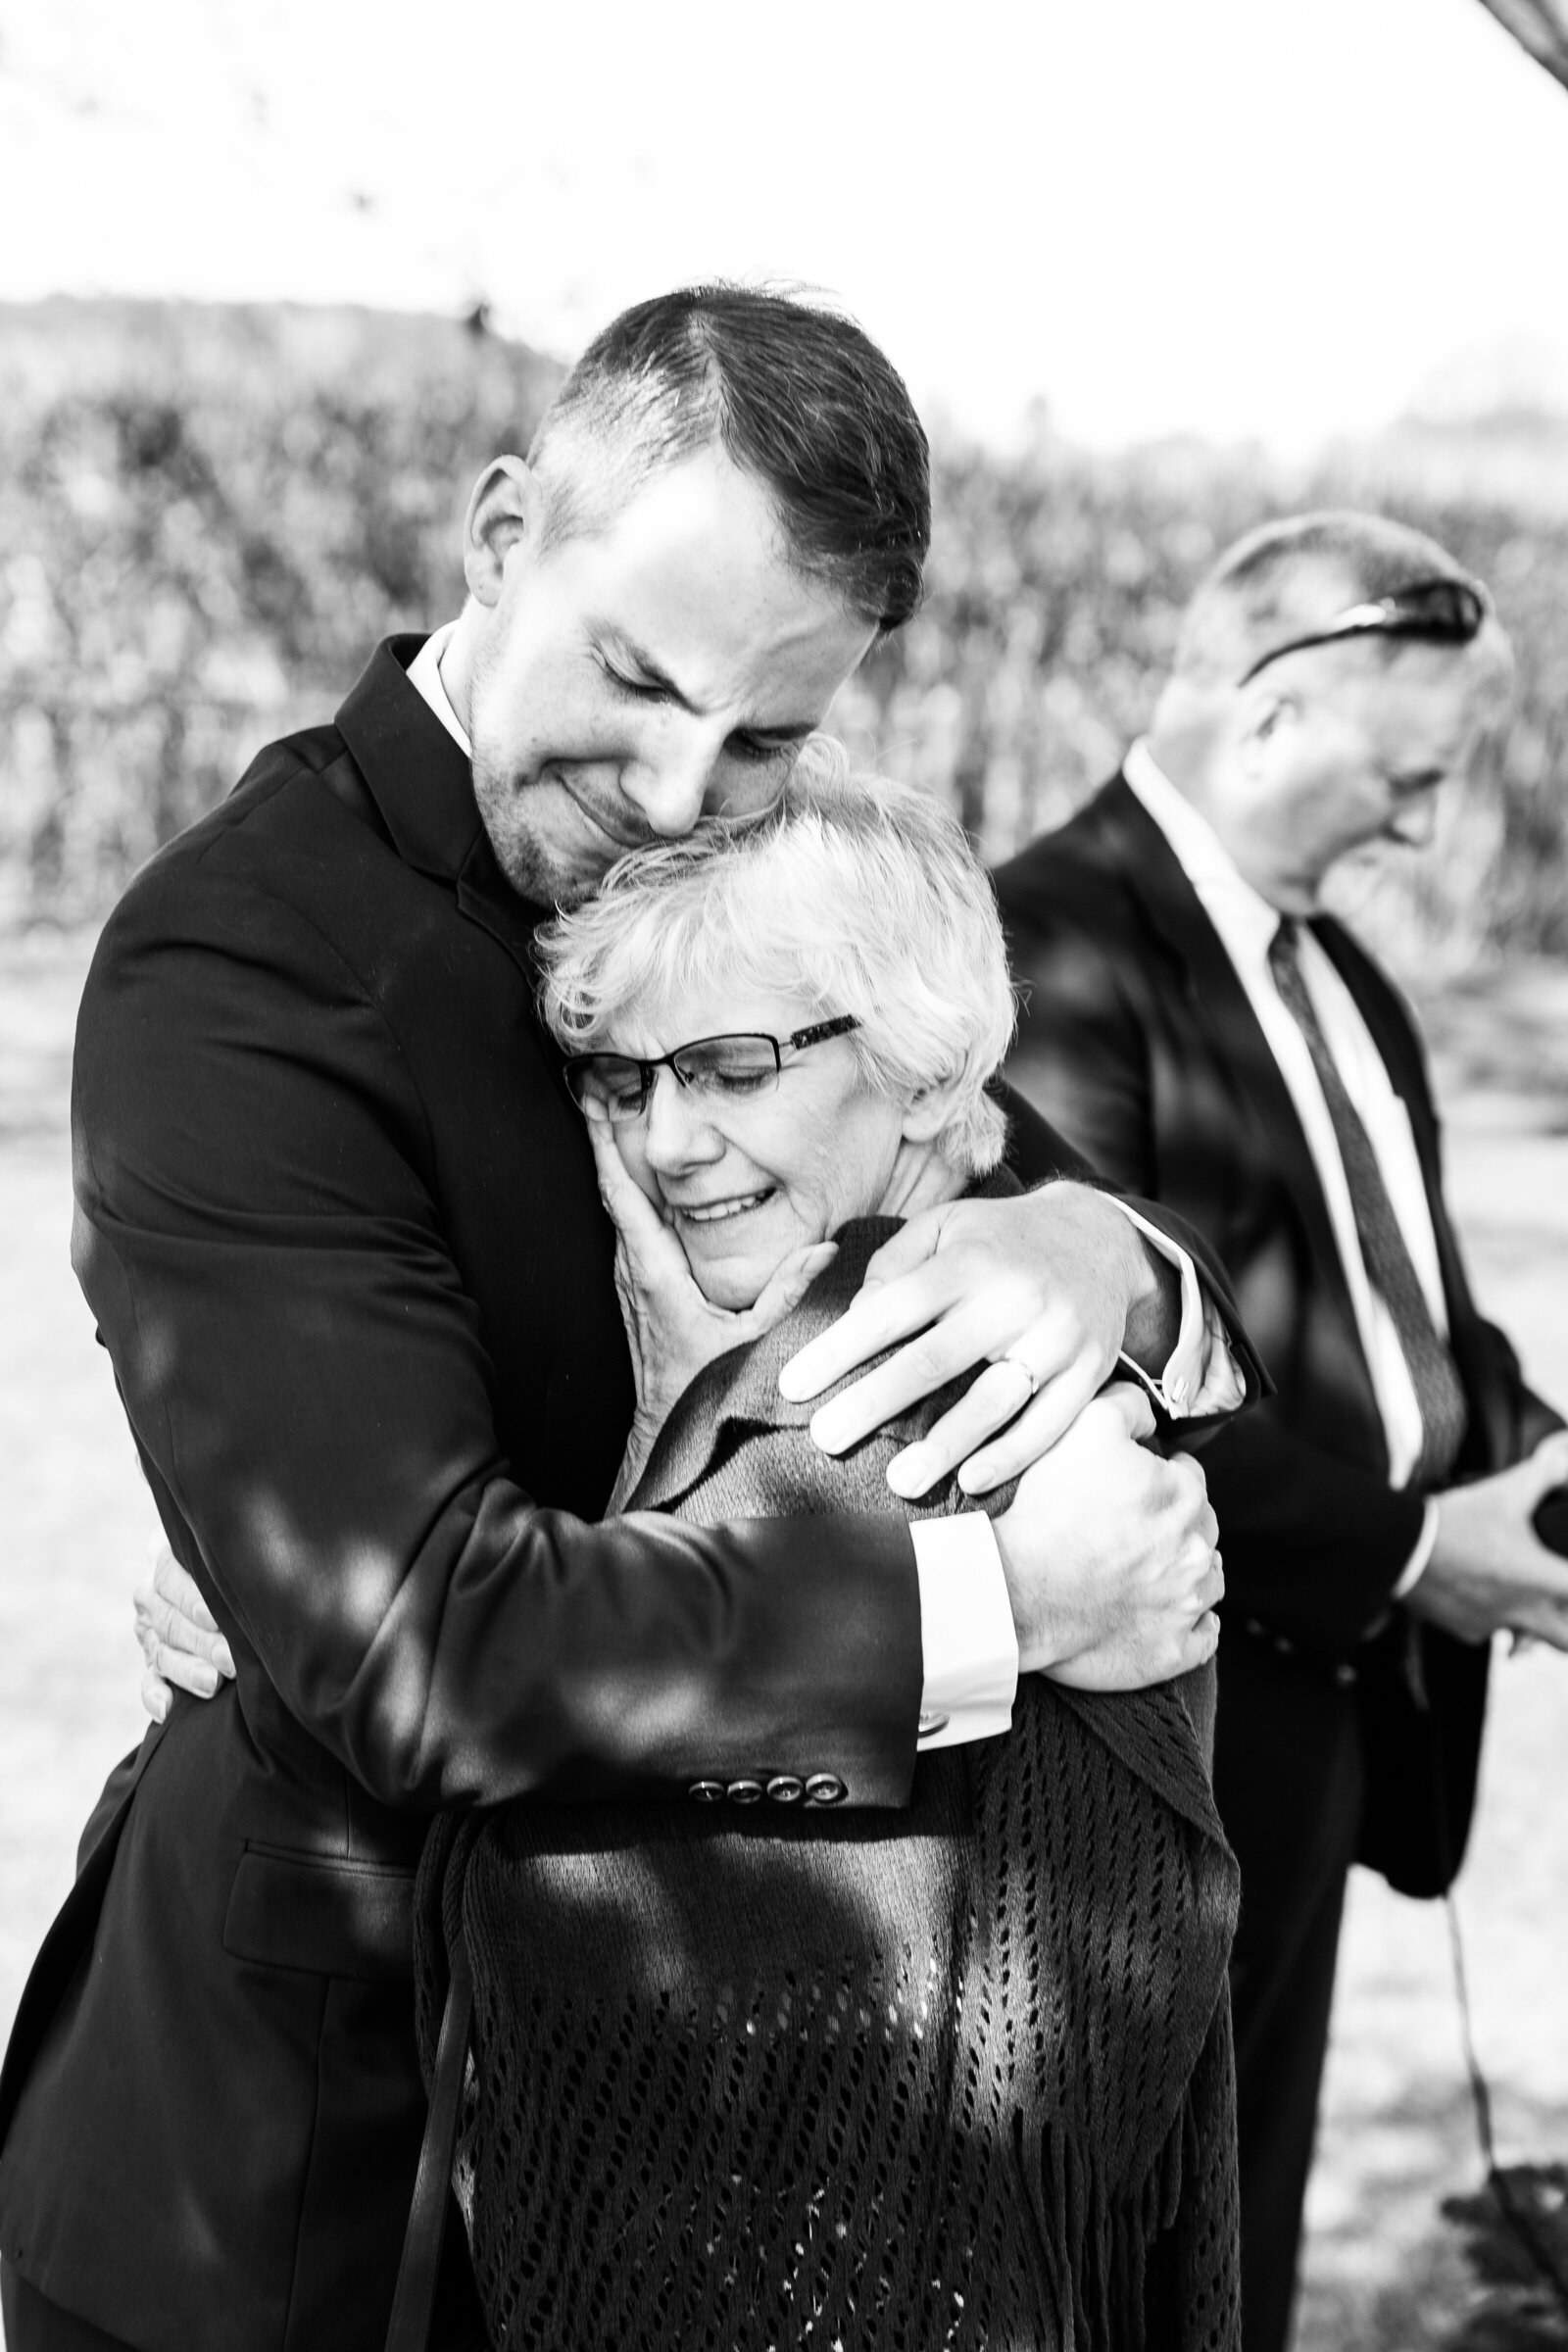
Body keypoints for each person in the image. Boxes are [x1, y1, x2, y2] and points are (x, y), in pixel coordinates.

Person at [0, 286, 1252, 2352]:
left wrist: (1104, 1263)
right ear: (503, 539)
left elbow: (959, 1129)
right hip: (301, 2183)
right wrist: (985, 1606)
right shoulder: (241, 964)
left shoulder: (747, 857)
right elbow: (411, 1641)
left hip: (676, 2152)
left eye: (765, 733)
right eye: (638, 681)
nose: (686, 791)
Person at [409, 746, 1243, 2352]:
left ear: (932, 1071)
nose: (667, 1142)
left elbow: (603, 1913)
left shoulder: (886, 1403)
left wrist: (357, 1635)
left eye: (729, 1065)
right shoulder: (908, 1312)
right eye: (627, 1081)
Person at [994, 511, 1568, 2352]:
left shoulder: (1348, 976)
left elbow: (1417, 1308)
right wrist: (1416, 1550)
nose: (1420, 826)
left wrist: (1536, 1470)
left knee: (1249, 2205)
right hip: (1166, 1720)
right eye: (1403, 778)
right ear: (1269, 712)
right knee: (1130, 2244)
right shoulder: (1049, 944)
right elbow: (1099, 1380)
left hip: (1330, 1711)